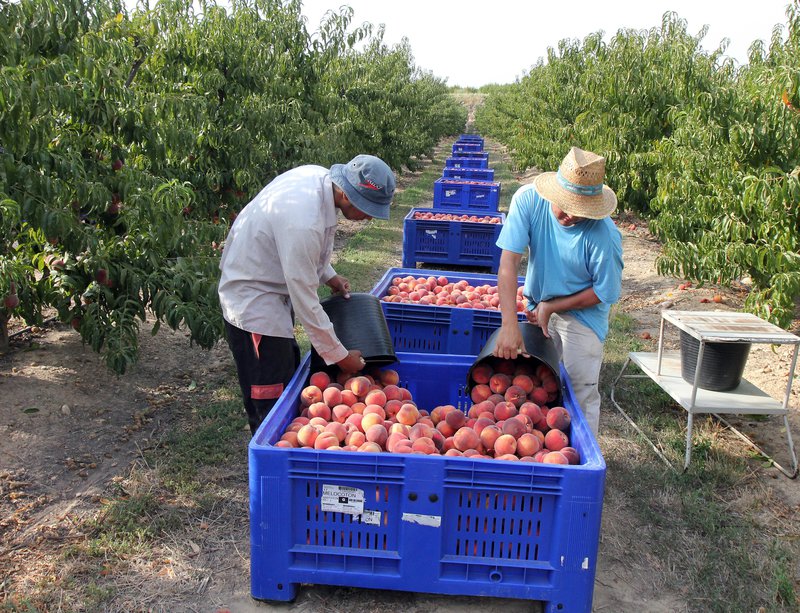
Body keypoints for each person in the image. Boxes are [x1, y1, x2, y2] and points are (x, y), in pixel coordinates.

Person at [218, 154, 396, 435]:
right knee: (270, 393)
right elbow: (305, 298)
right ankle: (272, 463)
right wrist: (339, 355)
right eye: (369, 209)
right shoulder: (304, 218)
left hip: (272, 287)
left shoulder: (319, 181)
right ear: (349, 196)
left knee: (286, 373)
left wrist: (329, 275)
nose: (369, 217)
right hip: (254, 301)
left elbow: (305, 250)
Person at [493, 147, 623, 436]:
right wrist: (509, 324)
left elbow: (605, 292)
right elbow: (508, 263)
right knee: (541, 386)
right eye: (565, 206)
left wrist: (553, 307)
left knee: (579, 391)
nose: (571, 216)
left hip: (584, 314)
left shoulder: (604, 235)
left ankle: (580, 463)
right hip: (537, 304)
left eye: (581, 211)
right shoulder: (528, 201)